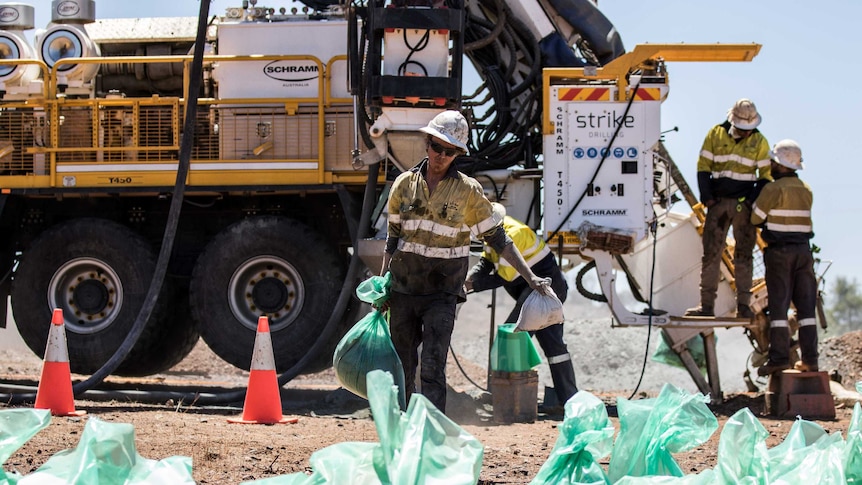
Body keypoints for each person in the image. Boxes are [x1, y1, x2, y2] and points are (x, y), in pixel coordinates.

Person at [380, 110, 547, 413]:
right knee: (402, 367)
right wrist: (382, 286)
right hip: (403, 291)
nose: (441, 155)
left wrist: (530, 277)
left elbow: (498, 239)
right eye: (437, 147)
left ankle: (430, 434)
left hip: (442, 294)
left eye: (450, 151)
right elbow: (392, 239)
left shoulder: (468, 191)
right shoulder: (403, 185)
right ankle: (404, 431)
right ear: (427, 143)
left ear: (457, 153)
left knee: (432, 367)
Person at [465, 203, 578, 411]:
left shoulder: (512, 235)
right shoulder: (492, 233)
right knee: (554, 347)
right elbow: (486, 263)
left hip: (544, 290)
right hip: (538, 292)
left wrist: (473, 286)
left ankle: (505, 398)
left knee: (512, 336)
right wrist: (468, 280)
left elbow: (504, 278)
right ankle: (568, 399)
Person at [685, 98, 772, 318]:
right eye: (743, 129)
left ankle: (744, 306)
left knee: (744, 255)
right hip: (718, 203)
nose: (746, 134)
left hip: (744, 204)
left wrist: (751, 201)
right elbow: (703, 167)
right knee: (711, 255)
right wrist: (708, 199)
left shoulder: (760, 141)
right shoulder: (715, 134)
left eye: (749, 130)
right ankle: (706, 307)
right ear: (733, 122)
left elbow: (765, 177)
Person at [751, 139, 817, 376]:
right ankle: (810, 360)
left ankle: (779, 358)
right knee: (806, 309)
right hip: (803, 252)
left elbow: (755, 219)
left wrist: (759, 190)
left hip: (779, 253)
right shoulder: (806, 189)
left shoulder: (772, 189)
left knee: (779, 309)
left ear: (779, 164)